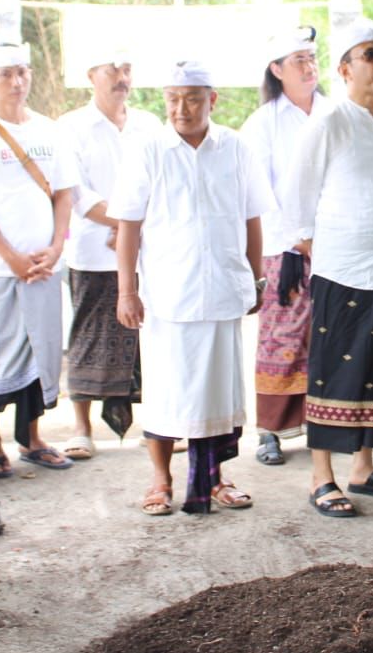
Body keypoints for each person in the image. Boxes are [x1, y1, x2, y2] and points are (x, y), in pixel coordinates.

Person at [110, 60, 270, 515]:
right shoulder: (148, 150)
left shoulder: (236, 147)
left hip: (222, 290)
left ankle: (216, 478)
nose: (182, 109)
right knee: (166, 394)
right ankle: (160, 480)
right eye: (173, 99)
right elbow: (128, 226)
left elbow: (252, 218)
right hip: (167, 295)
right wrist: (127, 291)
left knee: (219, 394)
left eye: (193, 99)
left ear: (212, 100)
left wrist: (255, 277)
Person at [285, 19, 373, 517]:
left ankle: (364, 469)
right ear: (344, 70)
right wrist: (315, 250)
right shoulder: (329, 122)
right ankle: (321, 477)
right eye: (370, 55)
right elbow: (297, 199)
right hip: (342, 270)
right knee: (334, 372)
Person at [0, 41, 80, 476]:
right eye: (5, 74)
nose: (16, 81)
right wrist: (10, 257)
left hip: (44, 266)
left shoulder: (49, 130)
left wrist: (56, 246)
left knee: (39, 350)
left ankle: (32, 438)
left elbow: (64, 194)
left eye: (22, 71)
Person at [56, 54, 161, 459]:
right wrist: (123, 224)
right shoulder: (71, 126)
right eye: (111, 70)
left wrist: (131, 230)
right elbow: (76, 192)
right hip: (92, 251)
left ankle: (157, 424)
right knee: (87, 335)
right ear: (91, 75)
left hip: (144, 251)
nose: (121, 78)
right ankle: (81, 429)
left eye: (127, 69)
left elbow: (160, 183)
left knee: (148, 338)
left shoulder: (149, 125)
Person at [240, 26, 334, 467]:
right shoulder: (263, 124)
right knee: (282, 339)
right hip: (285, 250)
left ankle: (326, 423)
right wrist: (299, 237)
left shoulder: (336, 113)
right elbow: (259, 193)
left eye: (312, 58)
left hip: (336, 246)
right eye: (298, 60)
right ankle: (271, 430)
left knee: (330, 336)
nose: (309, 67)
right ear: (276, 70)